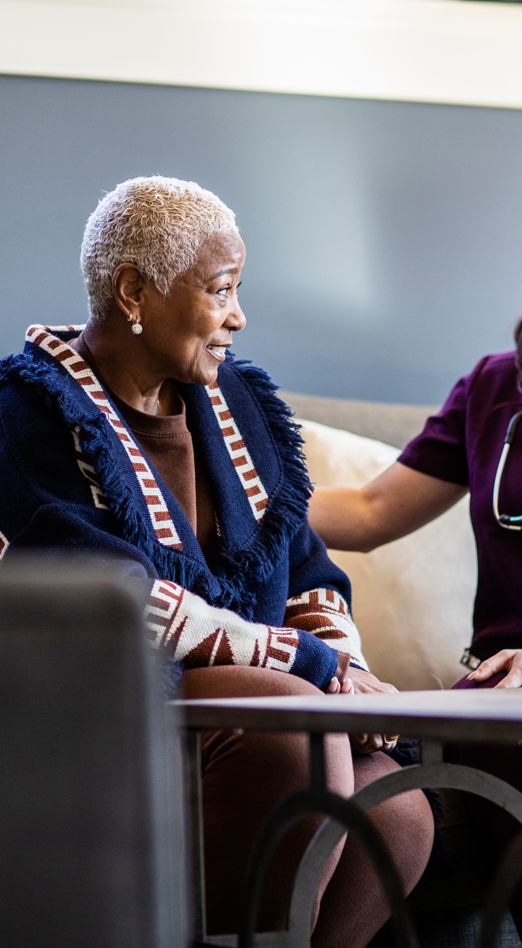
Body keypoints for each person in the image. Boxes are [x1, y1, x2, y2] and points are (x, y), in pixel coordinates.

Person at [0, 176, 433, 945]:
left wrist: (345, 668)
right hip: (112, 713)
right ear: (134, 291)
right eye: (221, 289)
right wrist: (309, 668)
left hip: (264, 696)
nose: (239, 316)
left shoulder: (238, 404)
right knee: (291, 725)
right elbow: (115, 600)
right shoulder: (29, 412)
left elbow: (302, 563)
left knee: (397, 810)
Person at [309, 181, 522, 947]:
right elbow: (369, 514)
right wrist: (237, 493)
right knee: (501, 710)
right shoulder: (497, 389)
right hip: (507, 689)